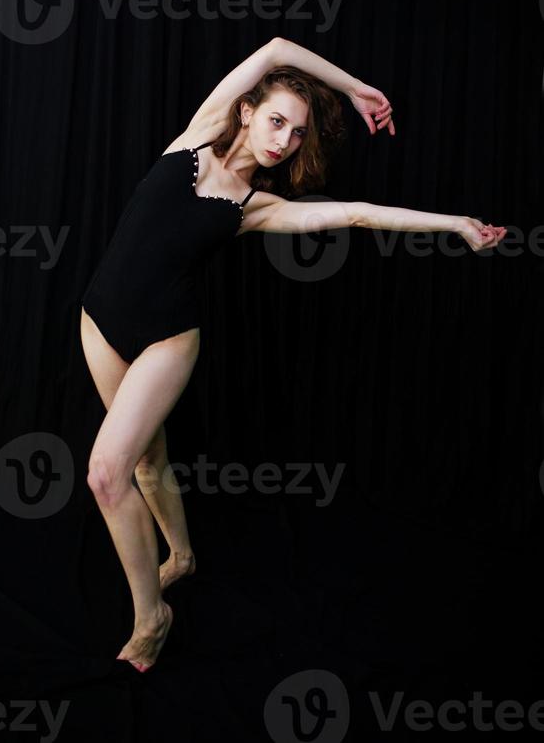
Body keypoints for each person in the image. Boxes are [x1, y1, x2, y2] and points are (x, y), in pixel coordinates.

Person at [79, 37, 505, 673]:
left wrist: (456, 225)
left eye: (298, 133)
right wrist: (357, 86)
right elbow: (277, 46)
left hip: (166, 340)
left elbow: (358, 215)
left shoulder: (256, 209)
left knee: (106, 473)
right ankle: (185, 557)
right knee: (147, 460)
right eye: (276, 120)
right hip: (99, 321)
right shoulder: (194, 137)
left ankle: (152, 619)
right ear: (246, 111)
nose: (284, 140)